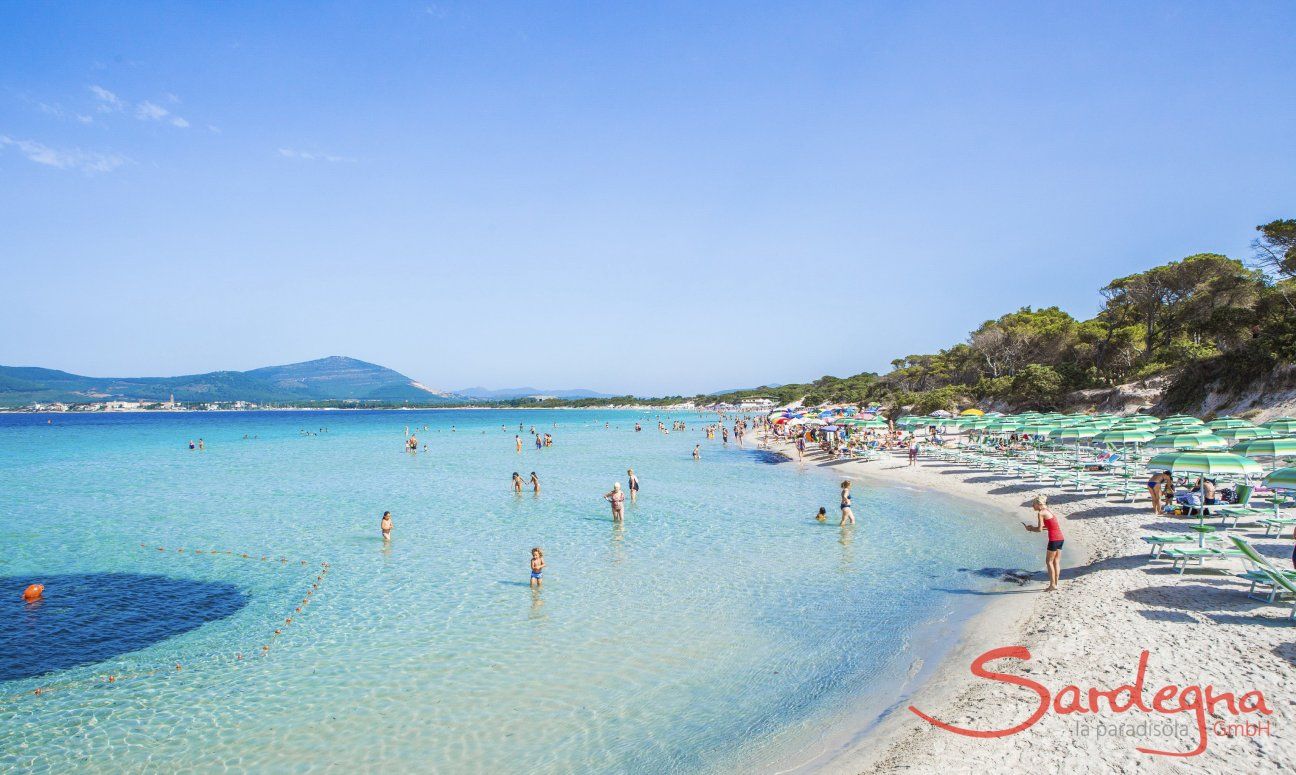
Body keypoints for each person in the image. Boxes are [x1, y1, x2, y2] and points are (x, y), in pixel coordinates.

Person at [1023, 495, 1064, 591]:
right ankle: (1056, 583)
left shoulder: (1041, 513)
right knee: (1056, 561)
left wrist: (1031, 529)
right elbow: (1051, 526)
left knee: (1049, 562)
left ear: (1039, 504)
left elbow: (1040, 529)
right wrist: (1033, 528)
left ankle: (1052, 585)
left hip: (1053, 539)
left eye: (1033, 504)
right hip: (1060, 538)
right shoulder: (1049, 510)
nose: (1032, 506)